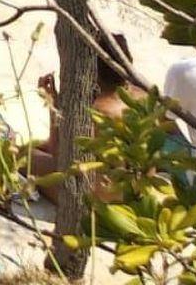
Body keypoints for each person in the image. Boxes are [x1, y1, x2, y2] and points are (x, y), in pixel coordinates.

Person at [31, 35, 133, 183]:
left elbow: (59, 155)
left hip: (97, 188)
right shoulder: (140, 98)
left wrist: (52, 103)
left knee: (27, 157)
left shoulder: (93, 110)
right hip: (131, 187)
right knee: (37, 147)